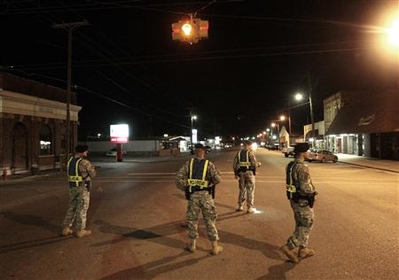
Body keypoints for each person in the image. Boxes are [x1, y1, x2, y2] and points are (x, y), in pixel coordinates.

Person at [175, 143, 223, 255]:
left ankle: (192, 246)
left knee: (192, 221)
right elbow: (218, 179)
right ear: (204, 152)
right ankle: (214, 248)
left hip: (193, 196)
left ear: (195, 152)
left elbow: (178, 178)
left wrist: (186, 188)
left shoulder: (189, 164)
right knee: (210, 221)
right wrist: (209, 184)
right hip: (206, 196)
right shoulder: (209, 164)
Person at [280, 142, 317, 263]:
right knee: (306, 224)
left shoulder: (291, 165)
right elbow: (305, 187)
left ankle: (303, 249)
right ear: (302, 153)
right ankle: (289, 246)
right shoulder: (302, 167)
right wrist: (313, 192)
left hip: (294, 199)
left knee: (300, 224)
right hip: (302, 201)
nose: (309, 153)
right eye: (308, 151)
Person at [61, 144, 97, 238]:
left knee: (71, 207)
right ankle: (81, 230)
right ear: (82, 152)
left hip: (72, 187)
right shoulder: (84, 162)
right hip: (83, 188)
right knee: (82, 208)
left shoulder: (70, 161)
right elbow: (93, 174)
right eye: (86, 151)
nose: (87, 152)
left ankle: (66, 228)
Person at [233, 140, 261, 213]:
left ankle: (240, 206)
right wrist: (259, 164)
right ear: (248, 145)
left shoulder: (238, 153)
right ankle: (249, 207)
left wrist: (235, 174)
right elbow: (254, 164)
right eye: (251, 145)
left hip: (241, 174)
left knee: (242, 190)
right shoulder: (250, 153)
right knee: (250, 190)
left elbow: (234, 164)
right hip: (249, 173)